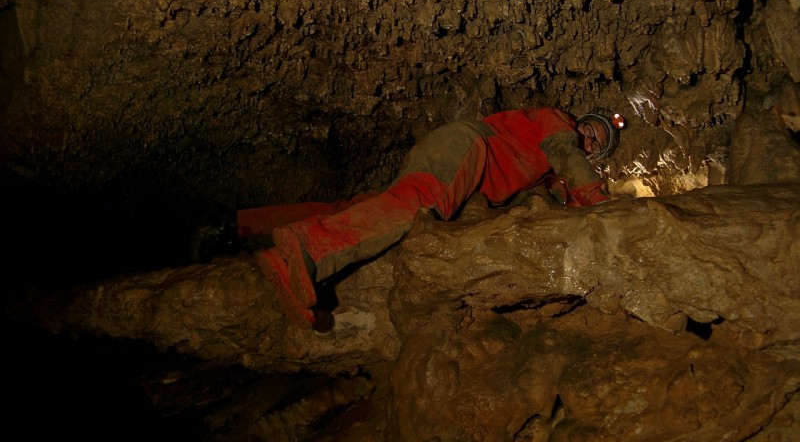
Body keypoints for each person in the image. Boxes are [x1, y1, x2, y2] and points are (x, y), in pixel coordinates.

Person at [221, 106, 626, 330]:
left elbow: (549, 199)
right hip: (469, 150)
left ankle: (248, 228)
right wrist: (600, 204)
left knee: (374, 204)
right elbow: (571, 163)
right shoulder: (558, 126)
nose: (588, 139)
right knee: (416, 205)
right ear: (581, 122)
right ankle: (307, 248)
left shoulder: (539, 167)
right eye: (592, 130)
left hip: (459, 157)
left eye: (596, 144)